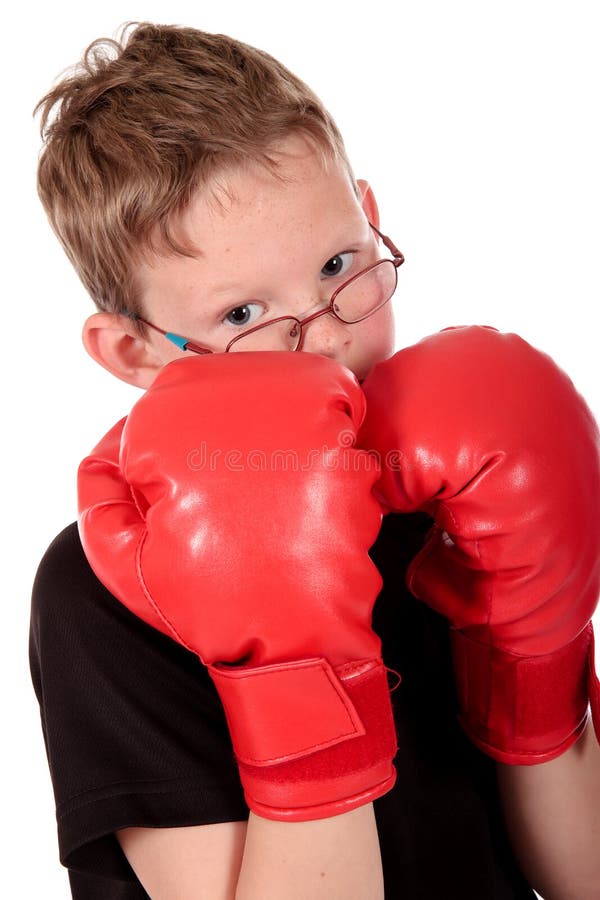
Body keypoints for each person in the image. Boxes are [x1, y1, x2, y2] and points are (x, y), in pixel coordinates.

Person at [29, 22, 600, 900]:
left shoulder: (458, 499)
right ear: (134, 351)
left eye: (338, 263)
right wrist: (294, 674)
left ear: (371, 218)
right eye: (242, 314)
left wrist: (537, 661)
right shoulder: (105, 595)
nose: (328, 339)